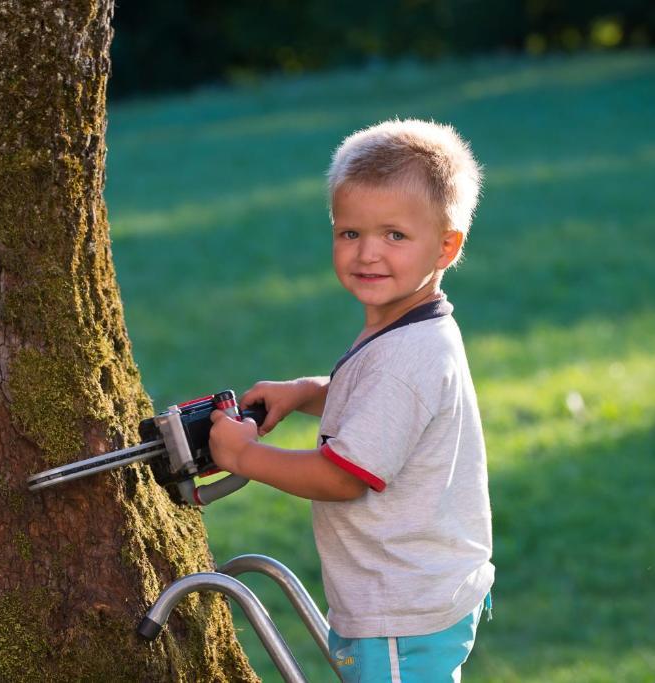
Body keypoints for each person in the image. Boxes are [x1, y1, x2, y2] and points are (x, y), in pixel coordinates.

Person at [208, 118, 494, 682]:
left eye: (394, 236)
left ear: (447, 245)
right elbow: (377, 403)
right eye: (350, 233)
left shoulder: (407, 358)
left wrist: (244, 457)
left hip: (400, 615)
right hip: (418, 594)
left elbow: (344, 476)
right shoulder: (413, 326)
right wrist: (307, 393)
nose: (368, 254)